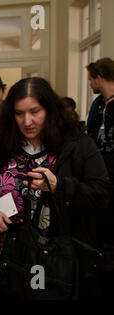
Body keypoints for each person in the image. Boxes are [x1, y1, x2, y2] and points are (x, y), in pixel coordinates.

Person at [0, 77, 110, 299]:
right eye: (19, 113)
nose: (27, 121)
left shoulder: (77, 144)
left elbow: (103, 193)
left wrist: (60, 186)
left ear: (50, 110)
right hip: (10, 259)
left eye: (35, 112)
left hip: (59, 261)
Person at [86, 57, 114, 299]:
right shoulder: (98, 105)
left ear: (99, 77)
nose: (89, 82)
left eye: (91, 78)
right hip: (99, 182)